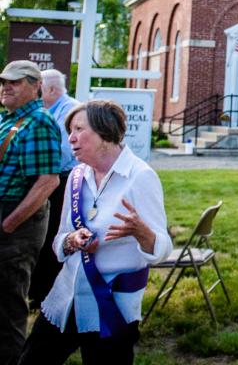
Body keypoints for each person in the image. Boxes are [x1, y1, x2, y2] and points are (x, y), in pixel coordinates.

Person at [18, 101, 170, 365]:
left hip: (112, 305)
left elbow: (162, 249)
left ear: (105, 132)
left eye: (78, 129)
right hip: (66, 297)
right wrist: (71, 240)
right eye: (69, 130)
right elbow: (59, 241)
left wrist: (142, 232)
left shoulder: (140, 176)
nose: (71, 138)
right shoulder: (76, 176)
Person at [0, 61, 61, 365]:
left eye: (15, 82)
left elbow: (48, 181)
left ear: (36, 86)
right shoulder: (9, 118)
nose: (5, 86)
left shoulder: (39, 121)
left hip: (15, 224)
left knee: (8, 306)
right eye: (3, 81)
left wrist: (8, 225)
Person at [29, 69, 80, 306]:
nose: (36, 93)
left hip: (63, 181)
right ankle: (38, 290)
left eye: (38, 88)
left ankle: (45, 294)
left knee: (52, 233)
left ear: (50, 90)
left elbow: (61, 152)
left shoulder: (70, 111)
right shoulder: (49, 110)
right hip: (52, 178)